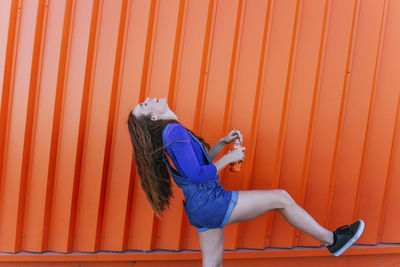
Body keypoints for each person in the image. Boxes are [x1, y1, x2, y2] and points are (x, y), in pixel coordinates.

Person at [127, 97, 365, 267]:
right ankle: (333, 241)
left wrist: (222, 143)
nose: (148, 99)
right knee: (281, 198)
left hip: (199, 208)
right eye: (145, 105)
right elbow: (198, 175)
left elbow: (198, 164)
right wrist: (230, 158)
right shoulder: (173, 132)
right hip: (210, 202)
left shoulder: (170, 134)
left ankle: (333, 241)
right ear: (154, 117)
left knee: (213, 263)